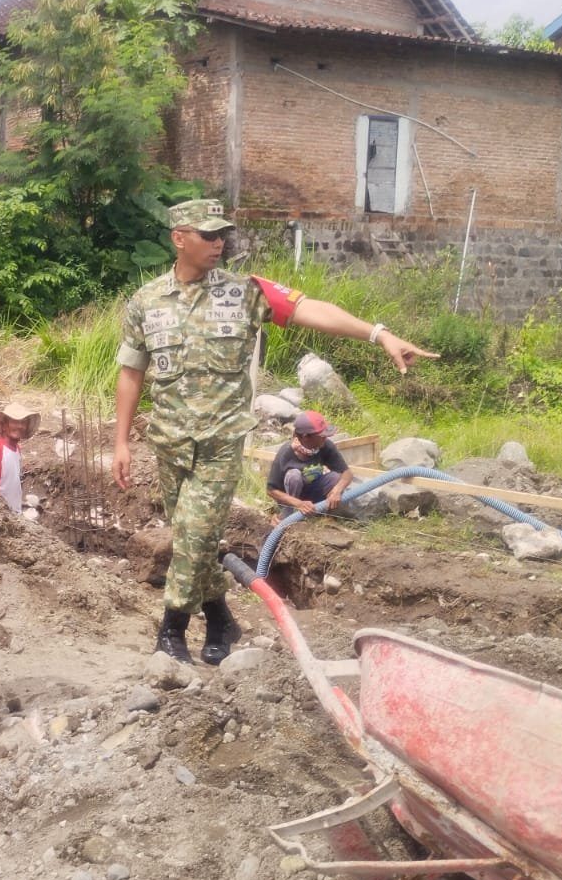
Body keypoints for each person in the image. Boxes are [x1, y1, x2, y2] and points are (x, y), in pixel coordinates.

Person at [112, 199, 436, 665]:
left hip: (221, 442)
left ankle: (172, 628)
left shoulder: (246, 293)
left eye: (223, 233)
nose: (218, 242)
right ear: (178, 238)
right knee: (194, 536)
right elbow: (131, 372)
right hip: (170, 442)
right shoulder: (145, 302)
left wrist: (380, 334)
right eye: (207, 234)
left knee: (192, 531)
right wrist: (121, 440)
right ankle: (221, 616)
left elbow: (312, 309)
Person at [267, 410, 353, 518]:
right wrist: (299, 504)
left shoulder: (325, 446)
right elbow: (271, 491)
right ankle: (289, 515)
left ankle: (321, 512)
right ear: (306, 436)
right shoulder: (286, 453)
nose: (325, 438)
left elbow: (347, 473)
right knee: (294, 475)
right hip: (291, 500)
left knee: (335, 477)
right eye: (321, 435)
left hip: (312, 494)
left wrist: (337, 490)